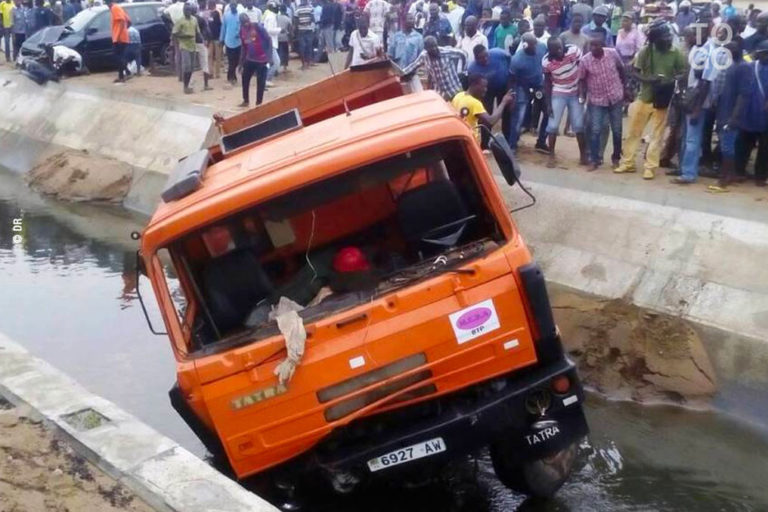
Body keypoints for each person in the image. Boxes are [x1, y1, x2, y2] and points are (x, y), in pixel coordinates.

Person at [615, 20, 686, 179]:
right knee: (634, 132)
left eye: (668, 37)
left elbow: (683, 72)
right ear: (655, 40)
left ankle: (650, 167)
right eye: (663, 38)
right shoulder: (646, 51)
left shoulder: (676, 53)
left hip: (663, 99)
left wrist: (672, 79)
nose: (667, 40)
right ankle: (628, 163)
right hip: (645, 97)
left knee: (657, 135)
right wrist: (648, 80)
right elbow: (633, 72)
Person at [579, 35, 626, 169]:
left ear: (603, 46)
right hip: (596, 99)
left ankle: (616, 157)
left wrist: (625, 88)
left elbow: (622, 70)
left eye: (596, 45)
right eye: (591, 46)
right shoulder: (585, 61)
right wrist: (582, 96)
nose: (593, 48)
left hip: (615, 96)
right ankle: (594, 159)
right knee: (595, 130)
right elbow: (582, 79)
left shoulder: (612, 54)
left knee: (617, 130)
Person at [542, 36, 585, 165]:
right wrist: (548, 103)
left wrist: (582, 92)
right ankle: (551, 155)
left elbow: (582, 70)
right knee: (553, 125)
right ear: (550, 51)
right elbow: (547, 83)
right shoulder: (546, 62)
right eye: (556, 50)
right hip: (559, 91)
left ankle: (583, 156)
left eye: (560, 47)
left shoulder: (573, 50)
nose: (560, 51)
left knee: (578, 125)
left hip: (575, 90)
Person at [708, 41, 744, 191]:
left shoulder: (740, 68)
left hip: (731, 113)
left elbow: (742, 95)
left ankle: (724, 178)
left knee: (727, 146)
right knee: (727, 145)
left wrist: (734, 117)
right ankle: (732, 174)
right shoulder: (730, 67)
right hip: (724, 110)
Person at [733, 40, 768, 186]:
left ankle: (760, 176)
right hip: (749, 113)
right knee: (743, 144)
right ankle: (739, 172)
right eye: (764, 54)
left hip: (765, 115)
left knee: (765, 148)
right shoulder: (750, 67)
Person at [508, 32, 547, 150]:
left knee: (548, 111)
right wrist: (513, 94)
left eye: (535, 44)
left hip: (540, 85)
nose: (535, 47)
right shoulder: (517, 60)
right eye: (532, 45)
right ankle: (512, 145)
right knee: (518, 117)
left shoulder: (542, 47)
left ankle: (541, 142)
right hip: (522, 87)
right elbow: (512, 79)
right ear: (525, 45)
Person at [468, 44, 511, 147]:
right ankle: (485, 144)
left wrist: (508, 70)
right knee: (486, 117)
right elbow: (474, 85)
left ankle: (507, 142)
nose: (486, 59)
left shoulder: (497, 53)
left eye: (486, 55)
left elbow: (509, 57)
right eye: (481, 58)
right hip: (486, 92)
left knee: (507, 114)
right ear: (476, 58)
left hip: (503, 87)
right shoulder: (472, 68)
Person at [452, 73, 514, 142]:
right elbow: (491, 121)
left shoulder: (458, 96)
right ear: (474, 85)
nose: (485, 89)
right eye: (483, 87)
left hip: (461, 137)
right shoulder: (474, 103)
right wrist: (504, 102)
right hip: (471, 140)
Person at [401, 35, 466, 99]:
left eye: (435, 46)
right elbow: (413, 66)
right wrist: (401, 73)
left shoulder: (446, 52)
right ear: (426, 49)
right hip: (441, 94)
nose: (434, 49)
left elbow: (463, 54)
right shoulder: (424, 56)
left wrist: (462, 69)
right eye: (431, 47)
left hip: (455, 90)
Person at [238, 12, 271, 106]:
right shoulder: (242, 31)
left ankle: (259, 103)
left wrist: (269, 57)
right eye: (244, 23)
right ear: (241, 23)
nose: (246, 24)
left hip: (262, 59)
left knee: (260, 83)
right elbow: (244, 47)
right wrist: (241, 63)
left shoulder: (257, 27)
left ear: (249, 19)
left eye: (247, 21)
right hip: (250, 59)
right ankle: (246, 100)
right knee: (245, 78)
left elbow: (268, 39)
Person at [173, 2, 200, 94]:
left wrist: (203, 39)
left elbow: (197, 32)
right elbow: (174, 33)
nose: (187, 11)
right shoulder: (180, 21)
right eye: (185, 10)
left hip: (193, 45)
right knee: (187, 66)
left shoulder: (194, 20)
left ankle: (188, 85)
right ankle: (185, 86)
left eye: (188, 10)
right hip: (184, 46)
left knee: (192, 68)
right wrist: (184, 36)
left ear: (191, 11)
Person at [106, 0, 130, 83]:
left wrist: (119, 34)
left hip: (119, 38)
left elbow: (123, 21)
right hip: (121, 37)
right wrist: (124, 31)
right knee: (120, 57)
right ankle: (125, 73)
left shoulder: (114, 8)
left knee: (118, 57)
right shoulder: (119, 8)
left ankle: (122, 76)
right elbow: (128, 21)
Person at [193, 2, 213, 90]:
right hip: (201, 43)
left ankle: (189, 85)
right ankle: (206, 85)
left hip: (191, 43)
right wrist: (208, 40)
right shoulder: (201, 19)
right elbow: (207, 31)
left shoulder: (188, 20)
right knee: (205, 64)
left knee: (191, 65)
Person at [220, 0, 241, 85]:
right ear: (230, 7)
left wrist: (239, 33)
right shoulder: (226, 15)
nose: (233, 7)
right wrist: (221, 39)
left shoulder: (240, 15)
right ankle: (231, 77)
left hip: (238, 42)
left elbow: (242, 27)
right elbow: (223, 28)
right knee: (231, 60)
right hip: (228, 41)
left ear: (236, 6)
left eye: (234, 6)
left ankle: (232, 75)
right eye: (231, 6)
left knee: (236, 61)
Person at [203, 0, 222, 79]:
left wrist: (221, 37)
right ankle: (211, 72)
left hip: (217, 37)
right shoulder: (208, 13)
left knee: (218, 56)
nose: (208, 6)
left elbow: (221, 24)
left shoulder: (218, 13)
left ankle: (217, 73)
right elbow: (206, 25)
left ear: (213, 5)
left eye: (210, 4)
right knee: (209, 55)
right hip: (210, 38)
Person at [262, 1, 280, 83]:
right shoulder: (271, 17)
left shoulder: (270, 16)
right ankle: (267, 79)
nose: (278, 9)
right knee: (276, 62)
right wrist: (280, 30)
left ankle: (265, 79)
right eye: (277, 7)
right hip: (270, 43)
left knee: (270, 63)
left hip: (269, 42)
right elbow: (269, 30)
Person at [294, 0, 314, 69]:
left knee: (302, 47)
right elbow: (312, 19)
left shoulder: (297, 9)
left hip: (301, 30)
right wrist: (308, 23)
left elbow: (296, 21)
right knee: (308, 46)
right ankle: (307, 63)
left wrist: (295, 31)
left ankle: (304, 64)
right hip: (309, 29)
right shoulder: (310, 8)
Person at [276, 4, 291, 72]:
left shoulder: (276, 17)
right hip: (285, 37)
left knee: (277, 52)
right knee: (285, 52)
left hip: (277, 37)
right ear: (285, 10)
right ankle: (285, 67)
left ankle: (277, 66)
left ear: (280, 10)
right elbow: (290, 28)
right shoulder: (288, 19)